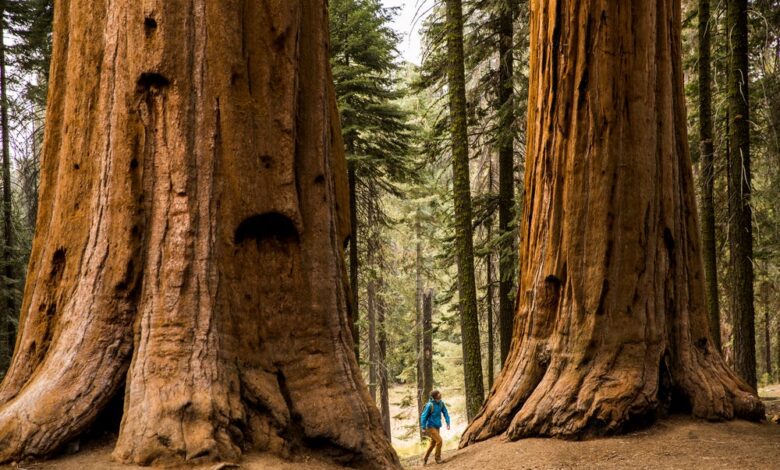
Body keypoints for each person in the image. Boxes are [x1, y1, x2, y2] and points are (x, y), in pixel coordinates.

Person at [420, 390, 450, 465]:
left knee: (432, 444)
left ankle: (425, 458)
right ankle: (438, 458)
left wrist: (448, 422)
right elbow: (423, 416)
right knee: (439, 441)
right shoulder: (430, 405)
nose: (440, 394)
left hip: (437, 426)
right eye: (438, 394)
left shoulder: (441, 403)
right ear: (435, 396)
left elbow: (445, 412)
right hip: (430, 426)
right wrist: (423, 427)